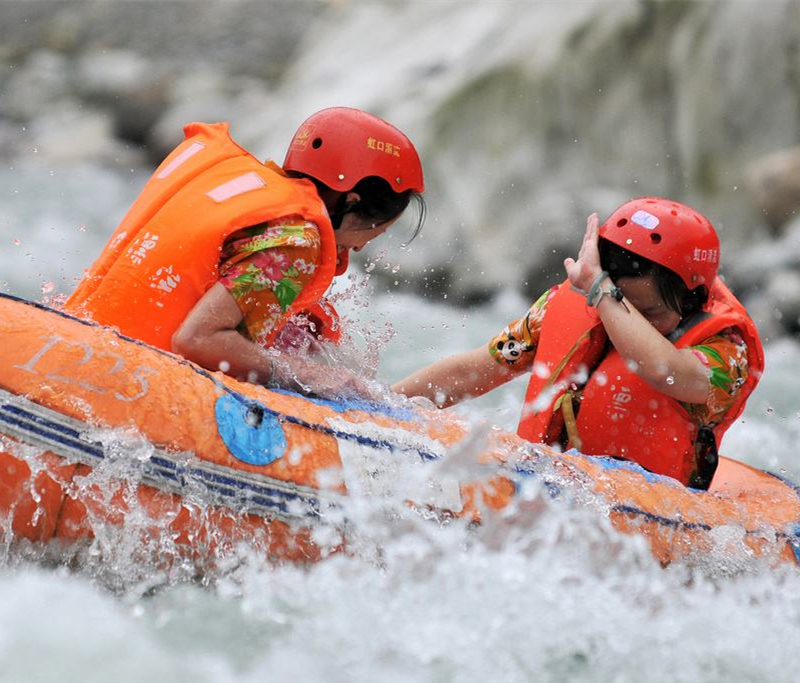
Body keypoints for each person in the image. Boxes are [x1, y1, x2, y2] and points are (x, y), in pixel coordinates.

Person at [393, 197, 764, 489]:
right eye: (618, 304)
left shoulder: (728, 348)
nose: (621, 320)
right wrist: (384, 403)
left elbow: (666, 371)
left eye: (644, 311)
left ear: (692, 301)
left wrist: (606, 296)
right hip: (550, 484)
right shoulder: (571, 302)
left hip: (649, 507)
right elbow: (474, 371)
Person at [65, 108, 425, 398]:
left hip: (77, 350)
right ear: (351, 201)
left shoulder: (242, 187)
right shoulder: (296, 241)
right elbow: (197, 340)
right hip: (122, 387)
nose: (361, 246)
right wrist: (304, 375)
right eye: (376, 231)